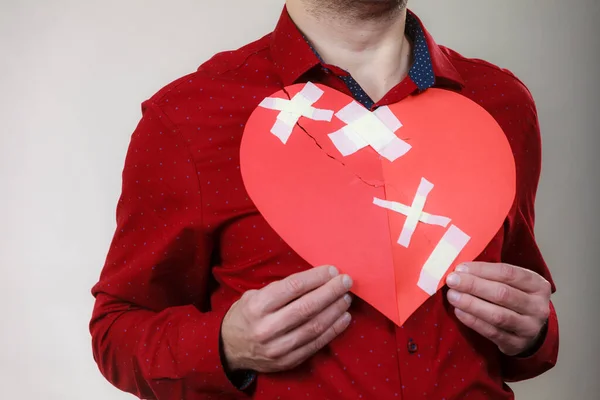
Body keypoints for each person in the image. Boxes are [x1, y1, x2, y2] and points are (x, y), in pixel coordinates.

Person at [89, 1, 559, 399]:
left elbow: (522, 303)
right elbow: (117, 329)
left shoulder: (502, 104)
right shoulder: (189, 116)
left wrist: (536, 333)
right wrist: (225, 346)